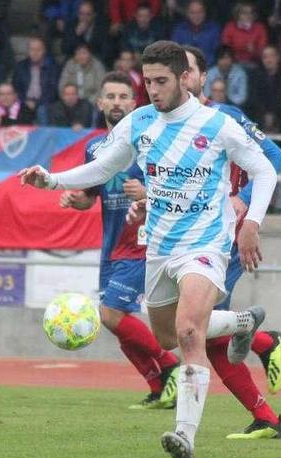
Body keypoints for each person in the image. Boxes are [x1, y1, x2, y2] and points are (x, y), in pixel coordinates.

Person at [19, 41, 278, 458]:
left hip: (206, 242)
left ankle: (184, 435)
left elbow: (265, 168)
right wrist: (52, 180)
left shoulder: (215, 124)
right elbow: (103, 167)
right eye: (148, 82)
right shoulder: (140, 122)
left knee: (190, 332)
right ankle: (242, 322)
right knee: (167, 336)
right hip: (158, 246)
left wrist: (251, 224)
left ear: (182, 79)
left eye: (161, 81)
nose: (153, 90)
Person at [183, 44, 281, 440]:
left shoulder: (224, 116)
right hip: (192, 237)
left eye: (188, 71)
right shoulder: (171, 124)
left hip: (221, 238)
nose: (182, 78)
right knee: (206, 337)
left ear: (202, 77)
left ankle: (263, 343)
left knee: (196, 329)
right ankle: (266, 410)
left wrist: (243, 203)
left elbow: (275, 159)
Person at [59, 72, 181, 409]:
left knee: (111, 314)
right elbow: (90, 196)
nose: (117, 103)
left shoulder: (153, 141)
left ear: (135, 103)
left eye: (123, 97)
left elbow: (176, 187)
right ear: (99, 103)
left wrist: (147, 192)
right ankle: (159, 386)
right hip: (112, 244)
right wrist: (76, 200)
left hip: (142, 242)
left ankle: (172, 368)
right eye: (110, 97)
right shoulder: (94, 148)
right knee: (116, 322)